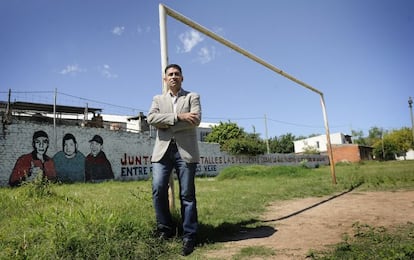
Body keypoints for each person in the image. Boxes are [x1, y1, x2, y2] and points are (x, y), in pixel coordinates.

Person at [147, 64, 201, 256]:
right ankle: (165, 229)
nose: (173, 77)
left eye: (177, 74)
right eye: (170, 74)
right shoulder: (157, 99)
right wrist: (179, 117)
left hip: (185, 152)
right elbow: (151, 118)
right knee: (158, 188)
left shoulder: (192, 96)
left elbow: (196, 120)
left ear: (182, 78)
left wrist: (167, 124)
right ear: (164, 79)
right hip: (162, 152)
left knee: (187, 195)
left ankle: (189, 235)